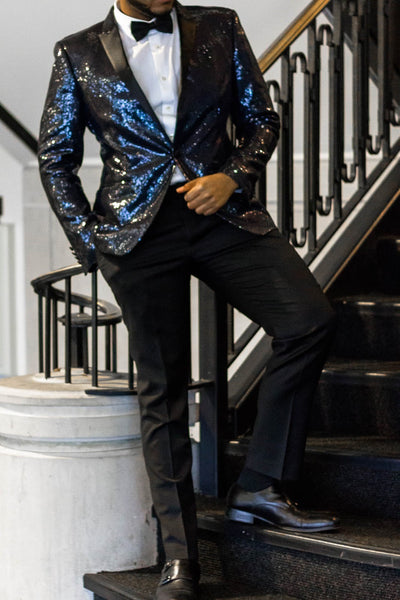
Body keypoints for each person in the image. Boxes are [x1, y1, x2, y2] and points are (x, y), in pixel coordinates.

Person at [38, 1, 338, 598]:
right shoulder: (76, 51)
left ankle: (259, 486)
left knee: (308, 320)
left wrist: (235, 174)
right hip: (135, 233)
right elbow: (55, 157)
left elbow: (262, 119)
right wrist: (92, 243)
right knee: (164, 388)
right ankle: (180, 559)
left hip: (223, 214)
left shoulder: (219, 25)